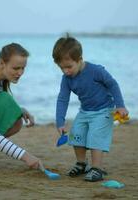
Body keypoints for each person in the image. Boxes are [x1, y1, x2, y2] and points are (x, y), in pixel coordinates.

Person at [52, 36, 128, 182]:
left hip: (104, 110)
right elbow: (63, 98)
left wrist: (120, 105)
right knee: (76, 134)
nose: (66, 71)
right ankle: (81, 164)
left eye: (69, 67)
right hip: (85, 111)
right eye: (62, 68)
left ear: (79, 59)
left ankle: (97, 168)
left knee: (95, 137)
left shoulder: (96, 71)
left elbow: (113, 84)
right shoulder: (66, 79)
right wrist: (60, 122)